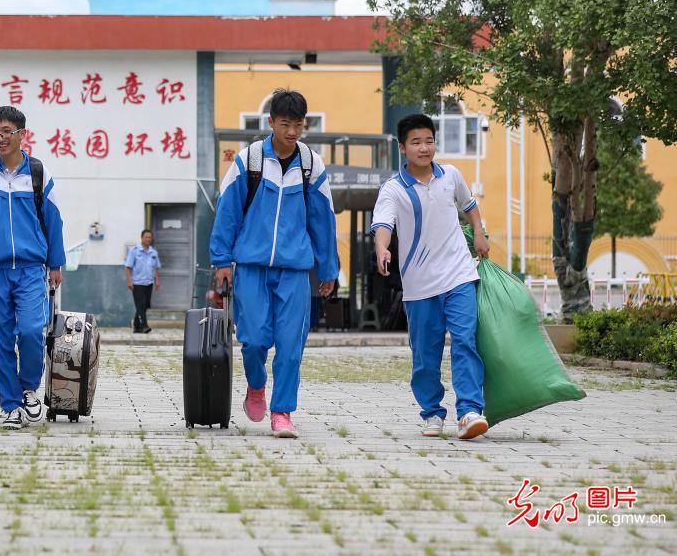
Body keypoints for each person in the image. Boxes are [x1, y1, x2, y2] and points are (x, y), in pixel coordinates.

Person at [210, 89, 339, 439]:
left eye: (298, 125)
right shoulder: (248, 161)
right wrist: (221, 259)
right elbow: (227, 212)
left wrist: (328, 269)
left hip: (295, 270)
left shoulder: (312, 166)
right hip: (251, 267)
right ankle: (256, 385)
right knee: (253, 340)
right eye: (286, 124)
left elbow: (323, 221)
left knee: (290, 345)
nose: (292, 132)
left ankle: (282, 412)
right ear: (271, 122)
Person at [371, 113, 491, 440]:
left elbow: (469, 205)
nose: (424, 148)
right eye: (416, 142)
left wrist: (479, 232)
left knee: (466, 341)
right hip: (420, 285)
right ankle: (432, 413)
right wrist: (382, 249)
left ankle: (469, 411)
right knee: (426, 355)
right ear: (402, 148)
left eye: (429, 141)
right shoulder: (393, 189)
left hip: (459, 275)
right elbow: (383, 225)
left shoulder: (451, 174)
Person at [0, 106, 66, 430]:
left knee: (30, 330)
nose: (0, 138)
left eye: (7, 131)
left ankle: (28, 388)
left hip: (30, 268)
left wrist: (56, 262)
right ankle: (10, 406)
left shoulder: (38, 173)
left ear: (22, 133)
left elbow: (53, 220)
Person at [125, 229, 161, 333]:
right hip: (137, 283)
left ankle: (137, 326)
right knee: (140, 304)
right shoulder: (134, 251)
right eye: (146, 237)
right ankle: (144, 326)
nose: (148, 239)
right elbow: (127, 267)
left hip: (149, 283)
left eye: (150, 237)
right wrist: (129, 281)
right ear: (142, 238)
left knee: (144, 305)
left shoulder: (154, 252)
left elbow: (156, 268)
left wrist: (157, 281)